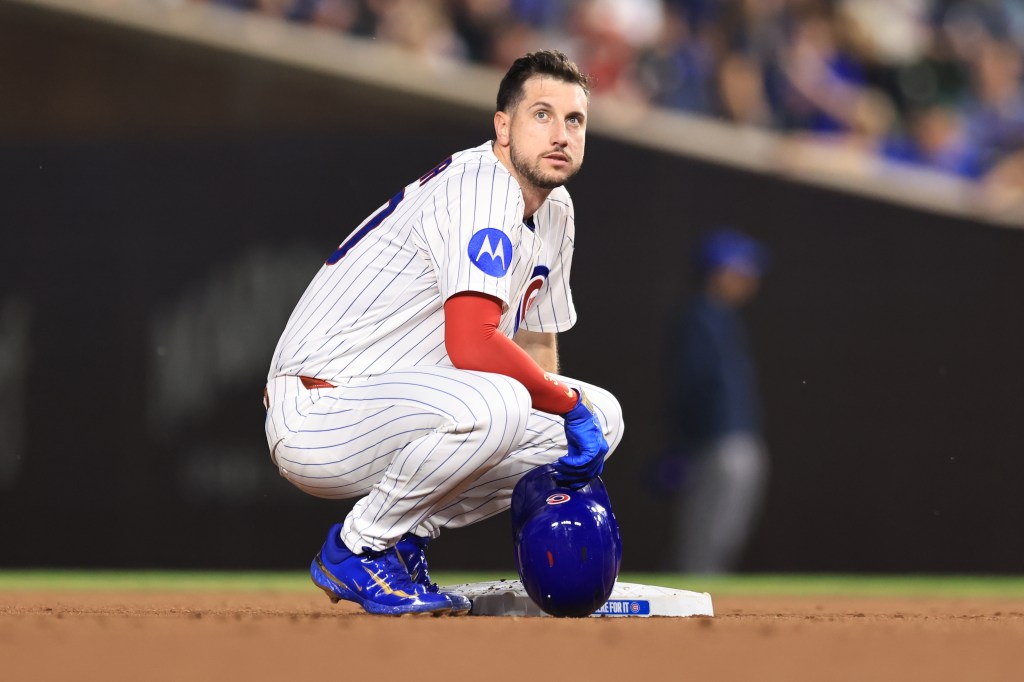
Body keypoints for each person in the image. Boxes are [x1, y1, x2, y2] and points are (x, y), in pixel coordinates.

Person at [263, 50, 624, 616]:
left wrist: (559, 445)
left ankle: (404, 537)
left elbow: (535, 341)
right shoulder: (482, 186)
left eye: (574, 120)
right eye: (542, 114)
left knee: (603, 417)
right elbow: (472, 341)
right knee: (506, 402)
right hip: (321, 408)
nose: (561, 133)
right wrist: (563, 404)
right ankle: (359, 548)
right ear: (503, 126)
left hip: (405, 403)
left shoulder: (557, 211)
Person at [665, 228, 769, 574]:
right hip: (715, 443)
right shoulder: (700, 317)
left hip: (731, 440)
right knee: (706, 537)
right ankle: (696, 594)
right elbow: (691, 386)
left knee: (725, 531)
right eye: (742, 272)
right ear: (720, 272)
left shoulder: (722, 317)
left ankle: (709, 589)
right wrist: (681, 446)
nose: (749, 281)